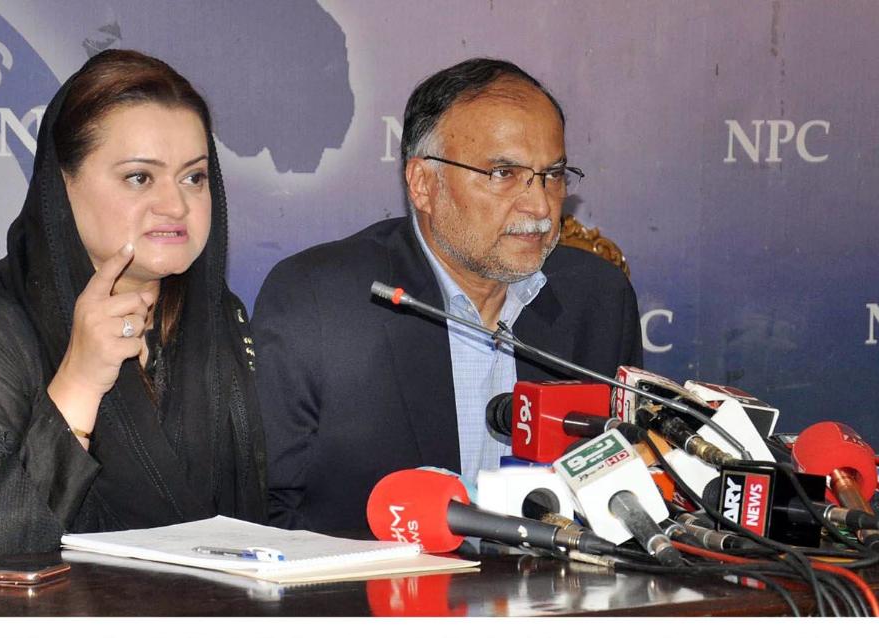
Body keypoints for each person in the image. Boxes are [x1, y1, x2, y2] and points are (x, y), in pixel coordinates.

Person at [0, 50, 266, 559]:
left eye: (193, 177)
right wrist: (81, 381)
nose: (176, 205)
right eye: (140, 177)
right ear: (62, 185)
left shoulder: (218, 321)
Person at [252, 58, 642, 532]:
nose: (540, 205)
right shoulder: (319, 299)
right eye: (504, 173)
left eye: (553, 174)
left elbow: (623, 493)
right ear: (423, 184)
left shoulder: (599, 300)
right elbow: (266, 512)